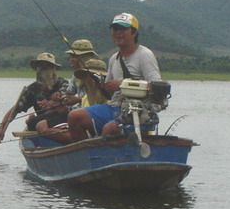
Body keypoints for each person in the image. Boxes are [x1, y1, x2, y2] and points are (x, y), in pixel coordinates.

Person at [67, 13, 161, 142]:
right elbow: (109, 94)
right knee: (74, 116)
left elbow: (156, 86)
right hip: (114, 107)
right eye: (115, 29)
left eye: (122, 29)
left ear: (134, 33)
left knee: (109, 129)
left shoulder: (144, 55)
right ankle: (88, 155)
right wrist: (100, 86)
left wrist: (121, 84)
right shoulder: (113, 58)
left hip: (137, 111)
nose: (118, 33)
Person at [0, 52, 68, 143]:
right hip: (41, 122)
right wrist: (2, 127)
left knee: (32, 121)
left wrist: (54, 101)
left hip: (60, 118)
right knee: (32, 122)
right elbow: (15, 109)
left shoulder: (62, 83)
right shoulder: (32, 89)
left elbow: (65, 98)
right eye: (41, 67)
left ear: (53, 69)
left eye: (47, 67)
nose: (44, 71)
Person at [36, 58, 110, 144]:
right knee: (40, 125)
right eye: (86, 77)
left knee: (42, 127)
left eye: (94, 77)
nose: (89, 80)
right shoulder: (86, 98)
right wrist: (62, 106)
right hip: (83, 133)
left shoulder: (109, 95)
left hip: (94, 135)